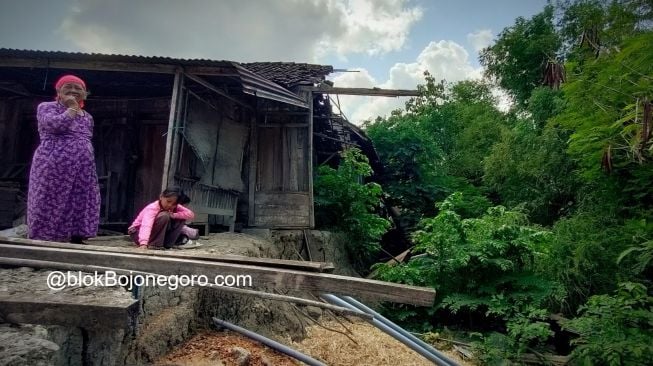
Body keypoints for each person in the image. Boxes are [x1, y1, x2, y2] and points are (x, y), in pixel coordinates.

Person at [27, 74, 101, 243]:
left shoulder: (88, 117)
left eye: (78, 88)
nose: (74, 90)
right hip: (54, 162)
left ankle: (76, 235)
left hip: (83, 166)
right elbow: (55, 125)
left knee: (82, 197)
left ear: (85, 93)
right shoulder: (47, 107)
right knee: (49, 198)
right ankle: (44, 238)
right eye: (68, 86)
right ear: (58, 90)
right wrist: (72, 108)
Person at [128, 187, 195, 249]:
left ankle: (168, 244)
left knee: (181, 217)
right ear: (161, 197)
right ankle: (154, 245)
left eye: (174, 204)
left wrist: (174, 215)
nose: (170, 205)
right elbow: (146, 225)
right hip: (137, 233)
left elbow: (190, 214)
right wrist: (143, 243)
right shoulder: (152, 207)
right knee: (164, 215)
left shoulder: (175, 207)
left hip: (153, 234)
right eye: (168, 201)